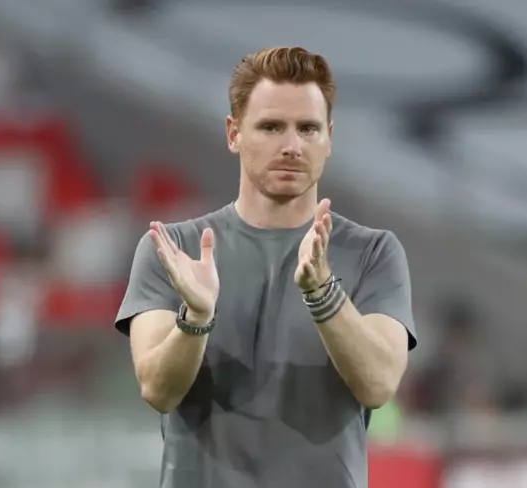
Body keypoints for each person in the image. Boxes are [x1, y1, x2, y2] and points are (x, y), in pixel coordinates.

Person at [115, 46, 418, 488]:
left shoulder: (374, 253)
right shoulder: (174, 250)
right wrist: (196, 317)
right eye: (272, 127)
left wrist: (323, 293)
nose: (292, 146)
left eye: (308, 128)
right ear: (234, 133)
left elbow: (378, 384)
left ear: (329, 138)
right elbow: (158, 391)